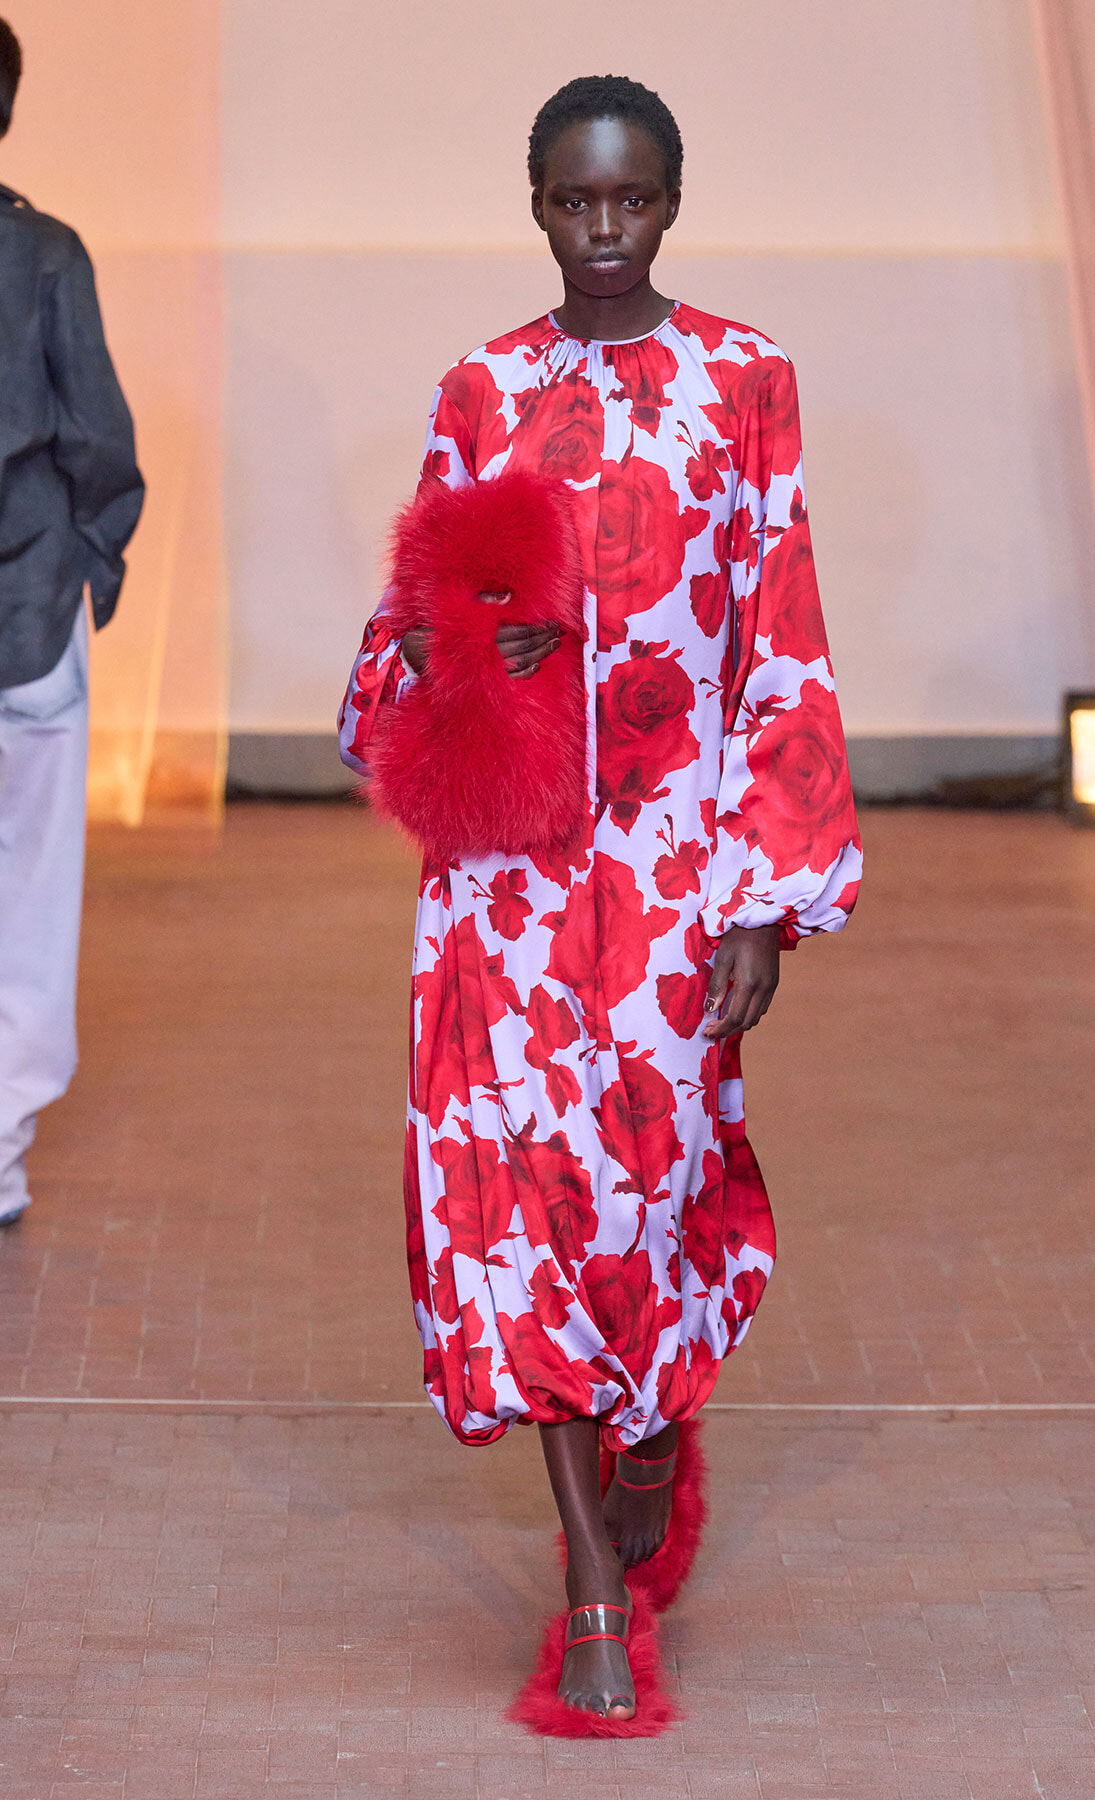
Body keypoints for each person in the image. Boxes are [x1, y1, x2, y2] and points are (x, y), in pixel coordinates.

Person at [340, 74, 861, 1727]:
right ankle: (587, 1594)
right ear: (540, 206)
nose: (605, 231)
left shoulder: (745, 382)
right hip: (500, 890)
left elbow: (780, 635)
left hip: (675, 877)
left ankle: (651, 1429)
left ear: (673, 199)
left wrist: (769, 894)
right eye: (575, 203)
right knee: (520, 1217)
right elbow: (397, 639)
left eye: (632, 200)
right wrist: (430, 664)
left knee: (650, 1206)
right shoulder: (482, 391)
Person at [0, 18, 144, 1228]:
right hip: (35, 606)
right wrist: (102, 553)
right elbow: (96, 431)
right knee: (31, 887)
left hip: (42, 594)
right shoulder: (45, 254)